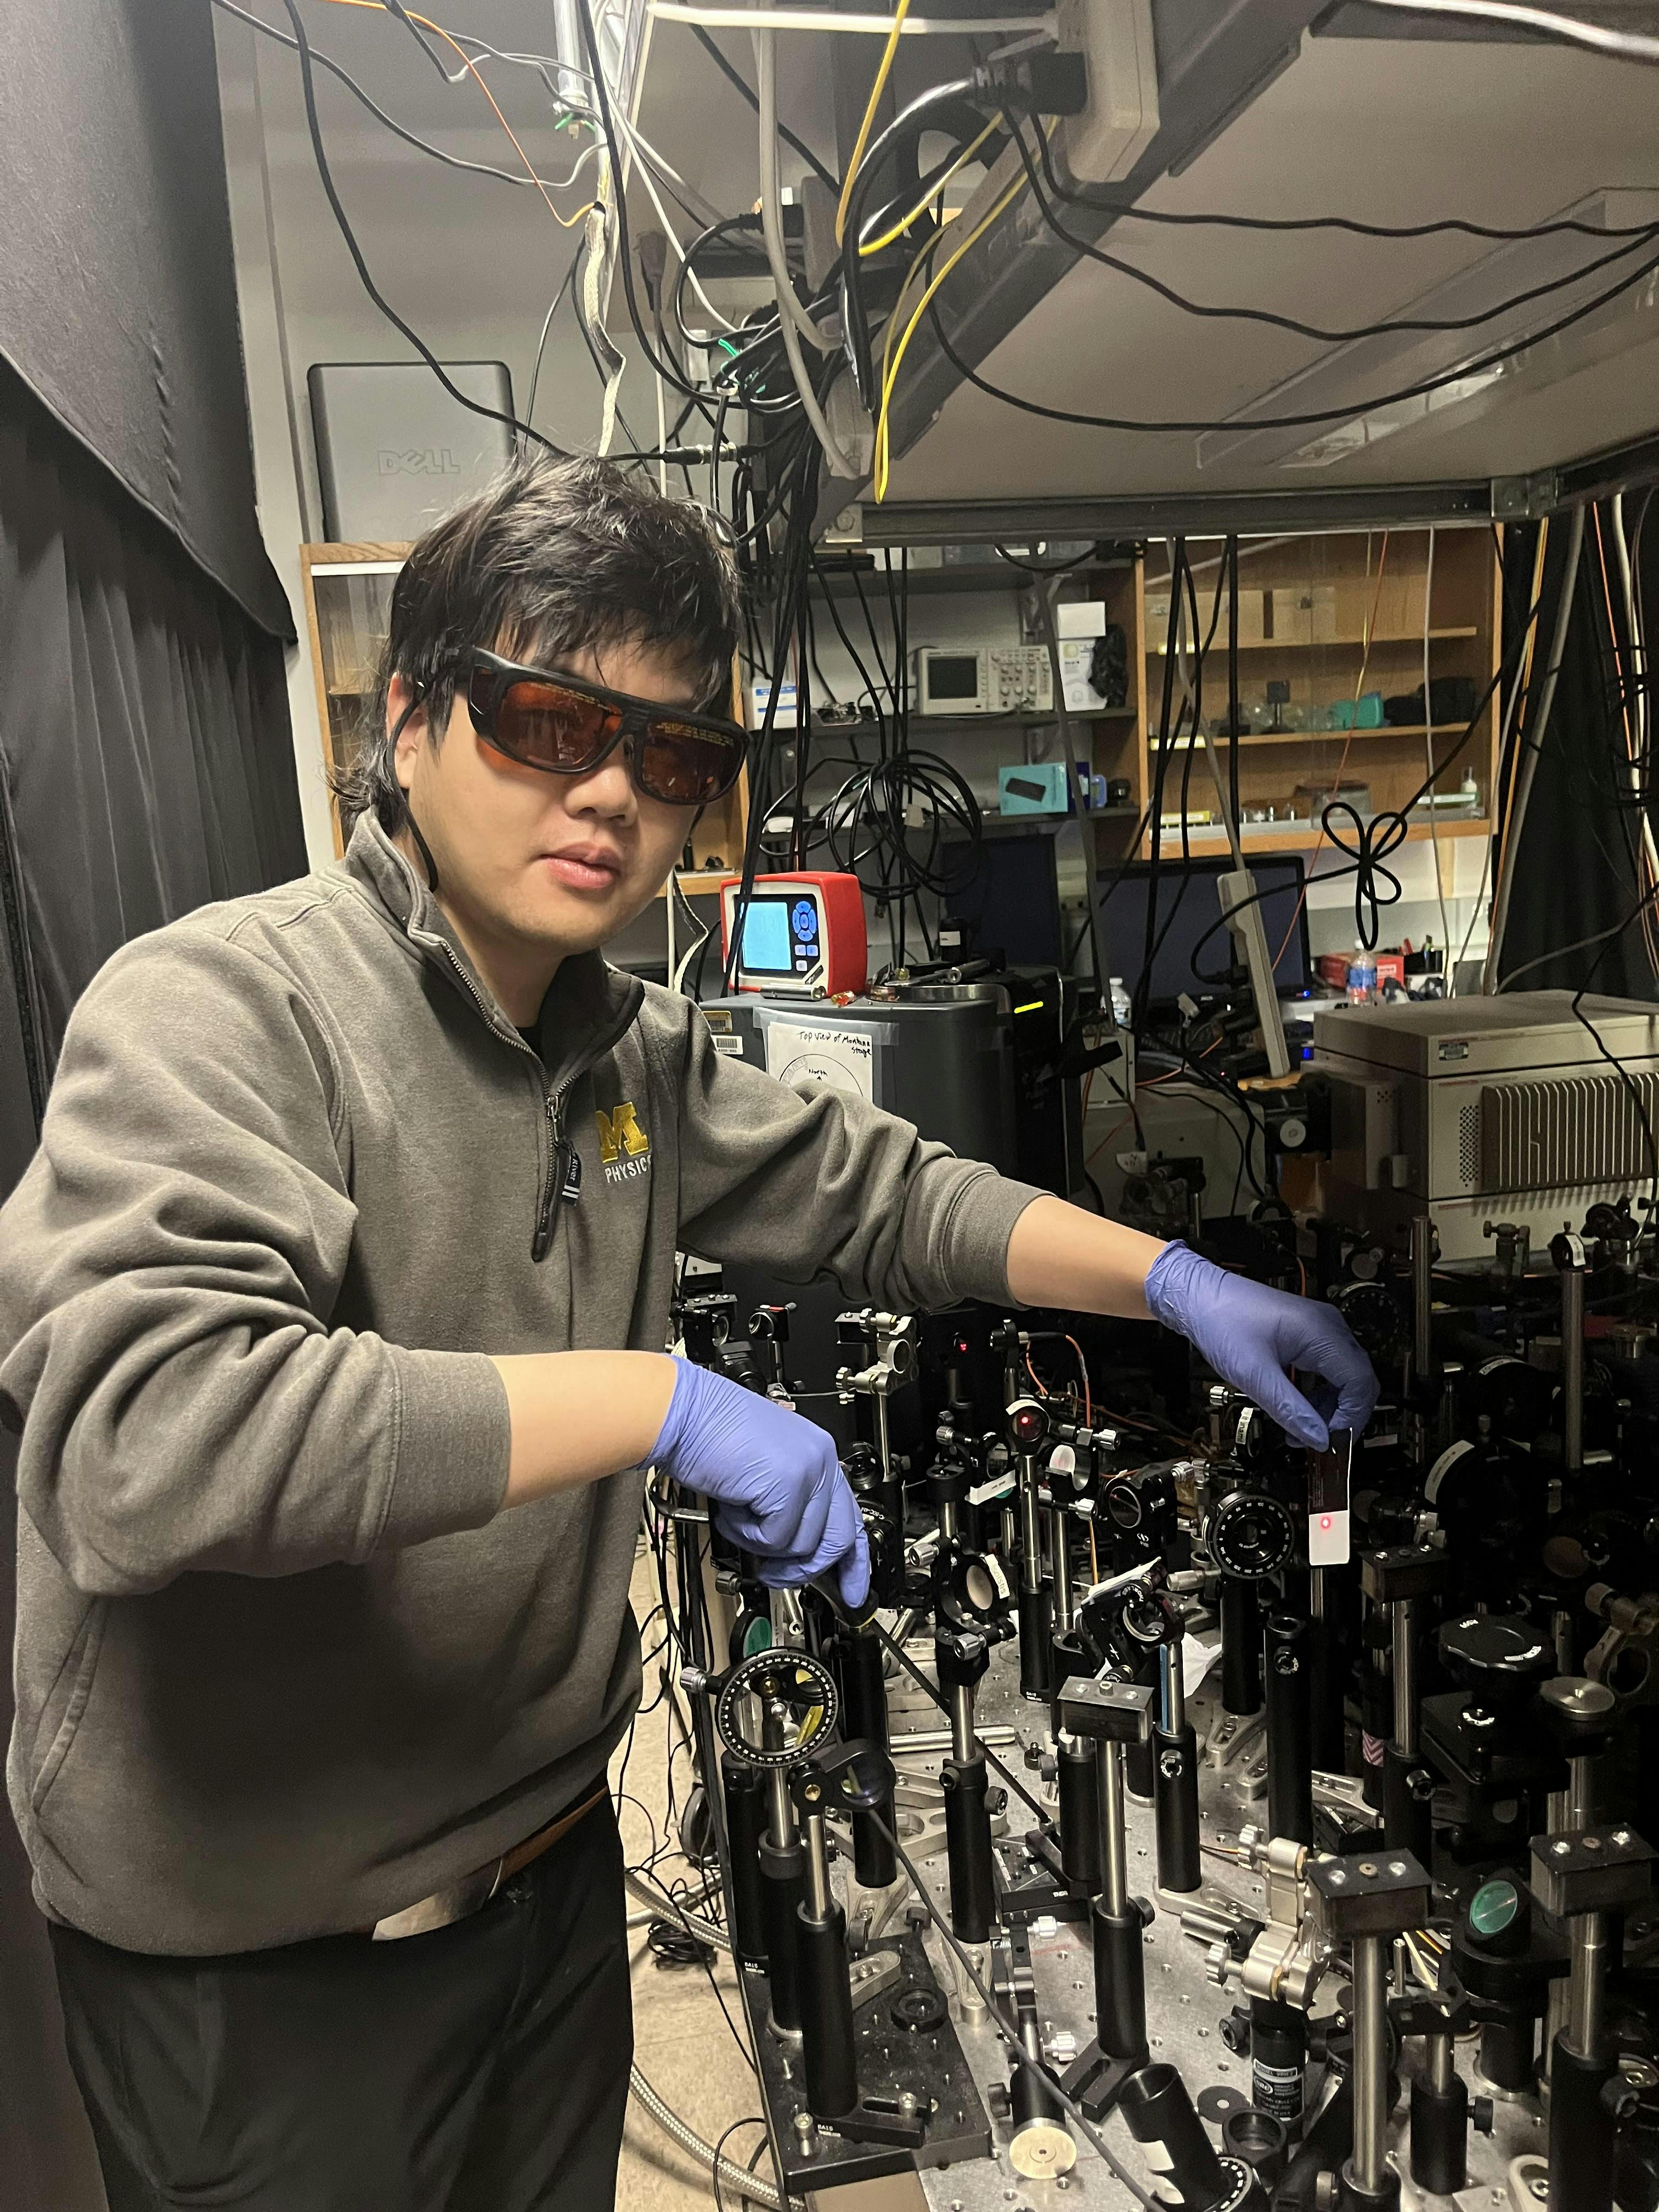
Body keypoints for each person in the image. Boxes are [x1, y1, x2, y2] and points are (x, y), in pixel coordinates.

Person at [0, 458, 1376, 2212]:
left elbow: (885, 1194)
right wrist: (656, 1400)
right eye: (546, 720)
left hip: (549, 1888)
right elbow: (149, 1445)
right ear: (408, 717)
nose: (609, 796)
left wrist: (1175, 1283)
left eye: (671, 757)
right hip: (268, 1964)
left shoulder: (623, 1048)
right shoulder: (224, 1008)